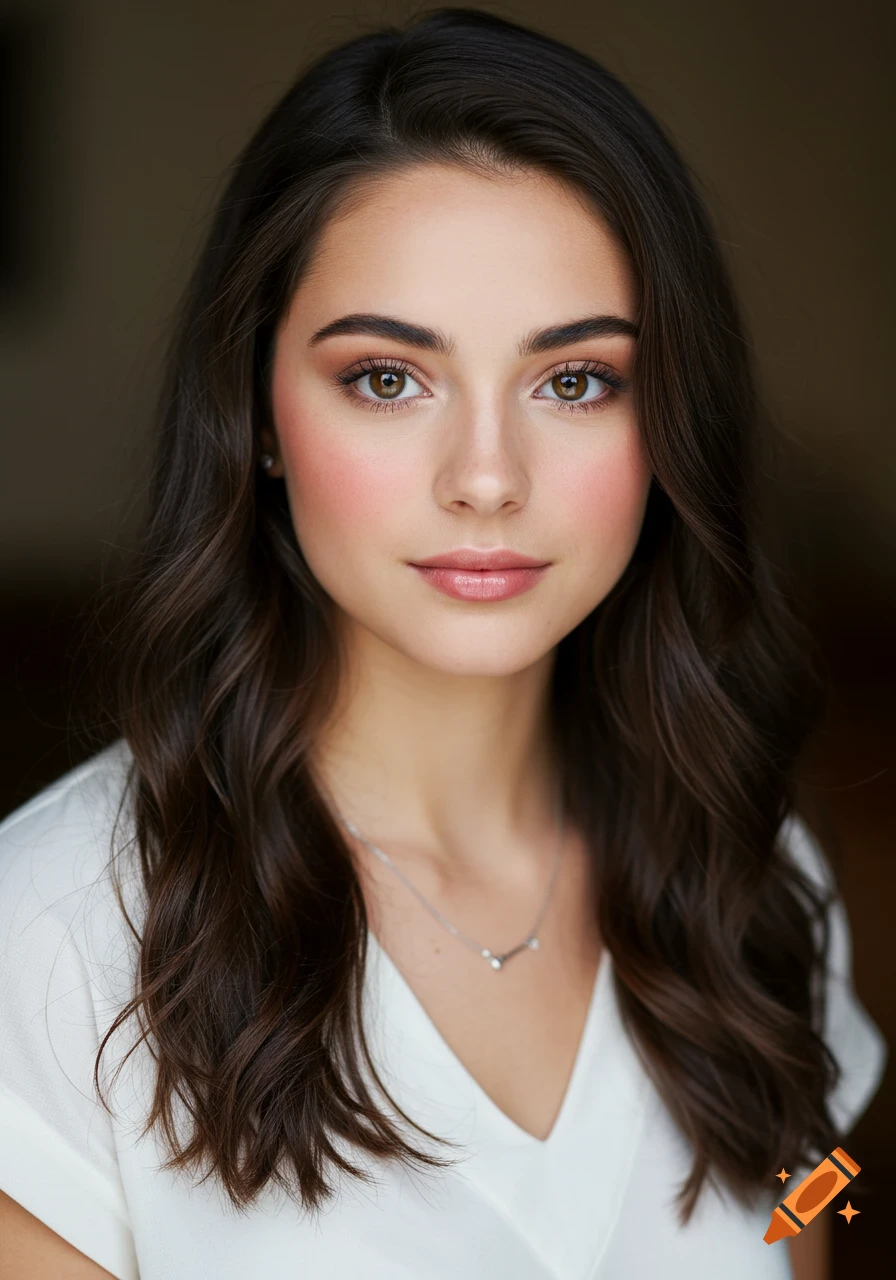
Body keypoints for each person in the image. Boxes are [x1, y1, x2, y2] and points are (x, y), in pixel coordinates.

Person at [0, 8, 886, 1279]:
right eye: (386, 376)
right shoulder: (55, 938)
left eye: (573, 380)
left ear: (668, 421)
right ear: (255, 411)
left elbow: (815, 1210)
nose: (485, 476)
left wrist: (820, 1217)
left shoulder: (750, 872)